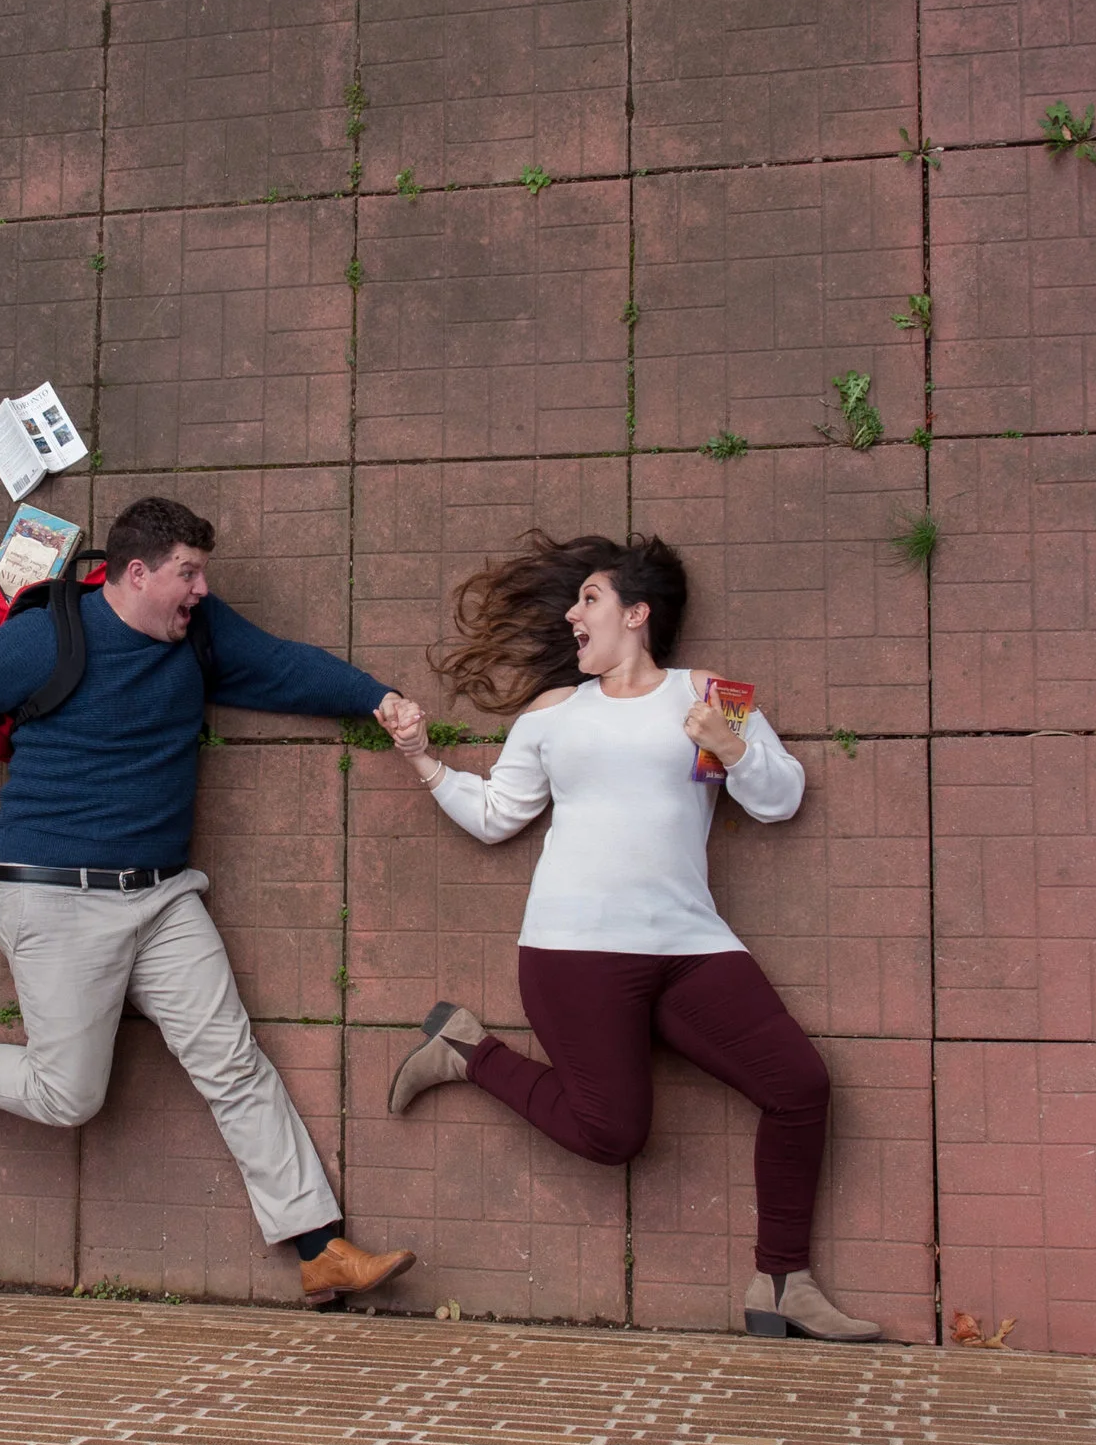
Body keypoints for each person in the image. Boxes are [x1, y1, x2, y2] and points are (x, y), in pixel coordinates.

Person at [0, 496, 417, 1307]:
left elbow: (286, 666)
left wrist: (375, 697)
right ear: (137, 573)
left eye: (204, 573)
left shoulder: (201, 634)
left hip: (162, 901)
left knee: (232, 1062)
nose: (202, 590)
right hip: (56, 900)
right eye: (189, 573)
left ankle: (321, 1248)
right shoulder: (52, 636)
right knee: (68, 1096)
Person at [376, 531, 879, 1342]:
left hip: (689, 946)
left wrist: (732, 748)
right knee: (613, 1136)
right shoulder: (552, 713)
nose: (573, 614)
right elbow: (498, 818)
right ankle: (469, 1052)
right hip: (573, 951)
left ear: (637, 615)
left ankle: (781, 1284)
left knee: (799, 1088)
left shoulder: (711, 695)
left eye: (590, 600)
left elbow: (780, 799)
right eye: (575, 601)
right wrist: (425, 761)